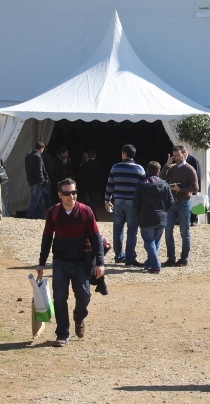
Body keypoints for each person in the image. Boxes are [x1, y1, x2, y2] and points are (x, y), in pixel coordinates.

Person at [36, 178, 105, 347]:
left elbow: (96, 238)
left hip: (81, 262)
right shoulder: (53, 213)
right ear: (60, 195)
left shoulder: (86, 211)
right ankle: (62, 334)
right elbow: (47, 238)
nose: (71, 196)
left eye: (74, 192)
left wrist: (100, 263)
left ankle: (79, 317)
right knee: (59, 298)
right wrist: (41, 262)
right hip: (60, 261)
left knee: (84, 296)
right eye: (67, 193)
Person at [105, 144, 146, 266]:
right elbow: (143, 188)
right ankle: (130, 257)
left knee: (118, 230)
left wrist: (107, 200)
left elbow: (109, 185)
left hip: (118, 201)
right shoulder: (140, 169)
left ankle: (118, 256)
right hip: (132, 202)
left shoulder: (115, 167)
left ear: (124, 154)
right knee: (132, 230)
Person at [160, 146, 199, 267]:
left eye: (178, 155)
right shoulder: (172, 168)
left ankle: (184, 259)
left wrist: (180, 189)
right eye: (174, 155)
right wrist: (167, 165)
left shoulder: (190, 169)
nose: (176, 158)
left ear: (184, 154)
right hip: (172, 202)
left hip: (184, 202)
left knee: (184, 232)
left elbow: (195, 188)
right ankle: (171, 258)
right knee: (168, 231)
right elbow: (161, 178)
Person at [133, 161, 173, 273]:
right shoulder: (165, 185)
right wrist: (164, 211)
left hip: (146, 216)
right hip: (161, 216)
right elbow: (170, 201)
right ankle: (149, 263)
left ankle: (155, 265)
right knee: (155, 242)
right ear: (158, 172)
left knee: (149, 242)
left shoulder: (141, 185)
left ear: (147, 171)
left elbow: (136, 203)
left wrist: (138, 213)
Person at [25, 142, 50, 219]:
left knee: (39, 199)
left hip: (31, 179)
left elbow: (27, 168)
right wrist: (42, 180)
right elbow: (39, 170)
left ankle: (39, 215)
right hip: (37, 181)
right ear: (41, 148)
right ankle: (29, 215)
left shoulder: (28, 155)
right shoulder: (38, 156)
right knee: (35, 199)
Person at [183, 148, 202, 227]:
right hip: (185, 184)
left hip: (193, 184)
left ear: (186, 152)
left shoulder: (193, 160)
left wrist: (197, 186)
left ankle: (194, 220)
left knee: (195, 201)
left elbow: (198, 174)